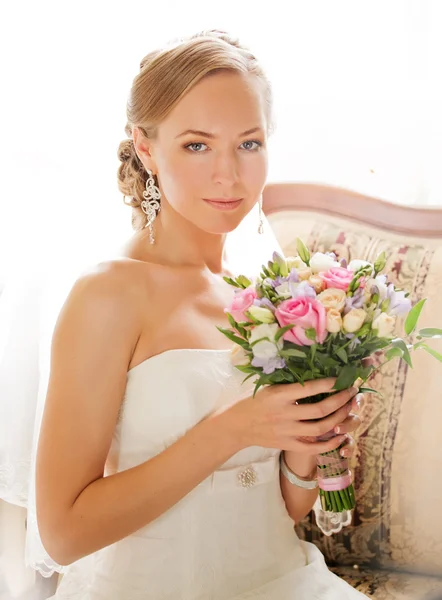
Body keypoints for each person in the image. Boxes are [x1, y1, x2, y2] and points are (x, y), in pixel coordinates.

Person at [34, 30, 368, 599]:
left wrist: (307, 445)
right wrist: (234, 429)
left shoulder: (268, 293)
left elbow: (280, 511)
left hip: (282, 579)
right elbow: (62, 535)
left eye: (248, 143)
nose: (229, 176)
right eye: (196, 145)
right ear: (145, 149)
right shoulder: (108, 296)